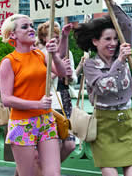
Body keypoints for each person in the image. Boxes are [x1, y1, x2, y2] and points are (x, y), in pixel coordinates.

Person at [73, 0, 132, 176]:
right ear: (95, 41)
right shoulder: (90, 65)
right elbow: (104, 87)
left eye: (115, 39)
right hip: (103, 124)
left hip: (126, 120)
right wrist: (120, 62)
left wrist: (110, 0)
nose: (113, 44)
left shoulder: (123, 52)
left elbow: (126, 26)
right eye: (107, 39)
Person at [0, 14, 67, 176]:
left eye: (31, 25)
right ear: (12, 35)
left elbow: (62, 73)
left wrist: (55, 55)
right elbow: (6, 99)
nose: (31, 29)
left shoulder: (40, 54)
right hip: (22, 124)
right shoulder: (9, 61)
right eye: (25, 27)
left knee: (53, 174)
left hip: (46, 120)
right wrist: (37, 104)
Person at [37, 21, 77, 162]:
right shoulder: (40, 54)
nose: (55, 39)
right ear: (43, 38)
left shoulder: (67, 53)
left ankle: (47, 169)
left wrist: (70, 75)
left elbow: (74, 80)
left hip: (65, 99)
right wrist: (57, 71)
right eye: (51, 36)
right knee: (51, 145)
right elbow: (40, 81)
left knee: (70, 144)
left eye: (57, 36)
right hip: (50, 100)